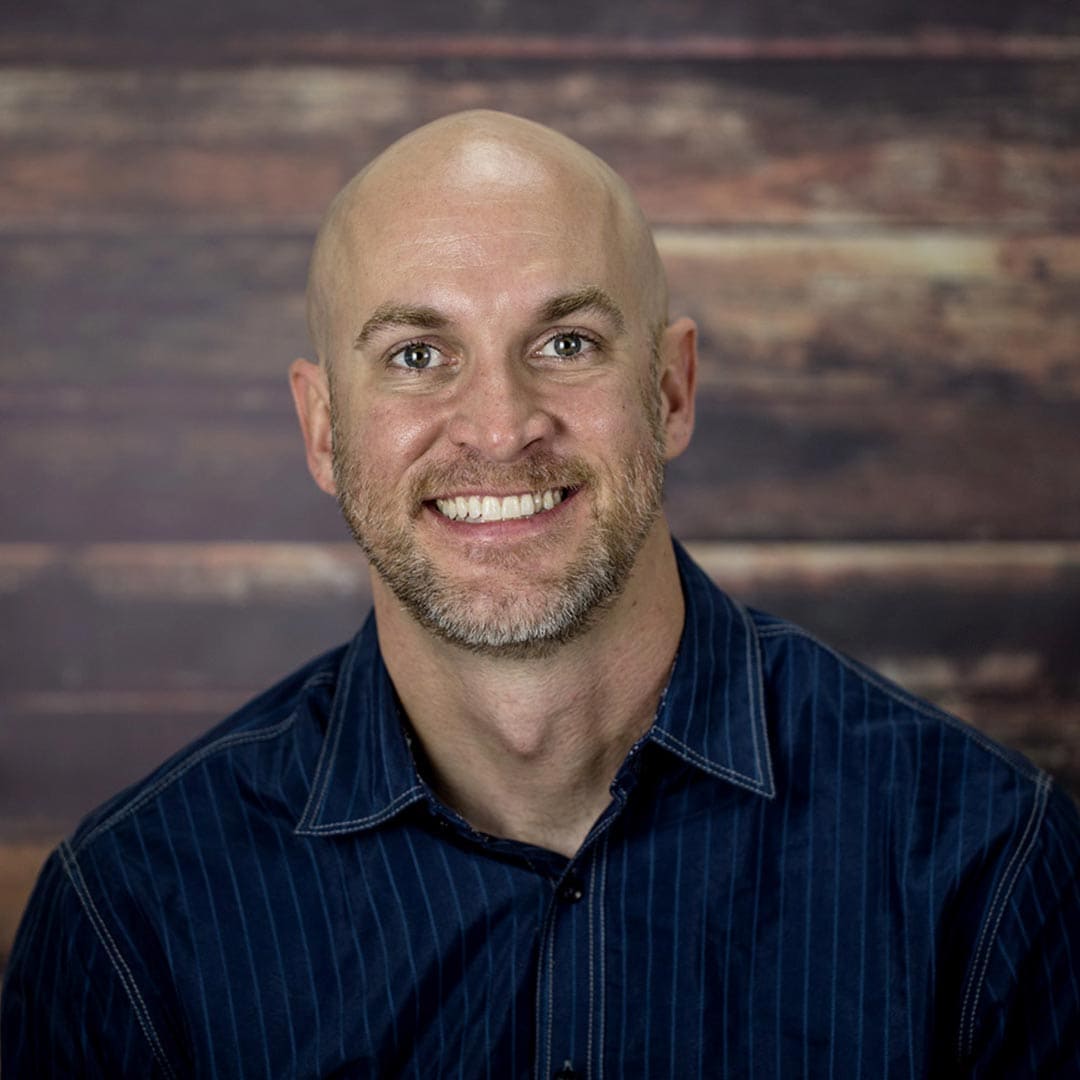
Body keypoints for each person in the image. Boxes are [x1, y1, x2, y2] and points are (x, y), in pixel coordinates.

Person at [3, 110, 1078, 1078]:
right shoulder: (134, 919)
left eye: (566, 344)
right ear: (324, 429)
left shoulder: (985, 873)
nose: (500, 425)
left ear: (671, 390)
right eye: (419, 354)